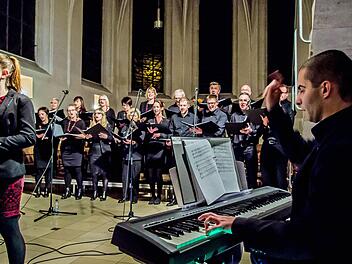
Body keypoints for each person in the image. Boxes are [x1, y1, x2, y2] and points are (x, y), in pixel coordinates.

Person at [198, 50, 352, 263]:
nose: (299, 100)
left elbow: (306, 239)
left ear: (325, 89)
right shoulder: (338, 134)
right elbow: (303, 154)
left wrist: (238, 225)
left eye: (302, 89)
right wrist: (273, 109)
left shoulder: (341, 147)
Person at [0, 53, 36, 264]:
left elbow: (29, 135)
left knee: (8, 224)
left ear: (5, 73)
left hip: (9, 171)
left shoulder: (21, 100)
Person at [260, 85, 295, 190]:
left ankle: (282, 201)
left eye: (283, 93)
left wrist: (270, 124)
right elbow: (262, 132)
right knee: (266, 177)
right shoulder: (267, 110)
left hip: (280, 146)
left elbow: (287, 128)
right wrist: (265, 126)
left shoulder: (288, 108)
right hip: (268, 145)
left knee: (280, 178)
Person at [230, 92, 262, 189]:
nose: (242, 102)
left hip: (249, 147)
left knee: (251, 174)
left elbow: (259, 132)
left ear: (249, 102)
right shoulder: (234, 115)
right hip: (237, 147)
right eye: (240, 100)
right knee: (238, 174)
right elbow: (231, 131)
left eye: (245, 100)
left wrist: (251, 131)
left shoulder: (254, 115)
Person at [144, 100, 171, 205]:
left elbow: (169, 134)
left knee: (158, 174)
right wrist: (150, 134)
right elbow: (145, 137)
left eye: (157, 107)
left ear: (161, 108)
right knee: (150, 175)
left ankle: (159, 196)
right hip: (150, 148)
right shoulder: (150, 121)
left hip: (160, 149)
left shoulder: (166, 121)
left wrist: (160, 135)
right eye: (154, 107)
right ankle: (152, 195)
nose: (155, 109)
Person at [85, 108, 113, 201]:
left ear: (102, 115)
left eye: (99, 113)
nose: (96, 115)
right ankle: (95, 192)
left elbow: (112, 138)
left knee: (105, 174)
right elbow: (88, 139)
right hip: (94, 151)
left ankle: (104, 192)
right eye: (95, 114)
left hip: (105, 151)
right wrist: (88, 137)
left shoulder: (107, 125)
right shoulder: (91, 125)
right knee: (94, 174)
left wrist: (106, 137)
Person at [60, 104, 86, 200]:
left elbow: (84, 136)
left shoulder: (81, 122)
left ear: (76, 111)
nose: (70, 112)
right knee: (67, 170)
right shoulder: (65, 121)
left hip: (76, 149)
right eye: (69, 110)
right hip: (66, 148)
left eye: (72, 110)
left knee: (77, 170)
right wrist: (62, 137)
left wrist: (75, 136)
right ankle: (67, 189)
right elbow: (61, 132)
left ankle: (79, 189)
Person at [119, 108, 144, 204]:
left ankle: (134, 196)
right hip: (126, 155)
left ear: (138, 117)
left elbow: (142, 139)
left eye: (134, 115)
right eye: (130, 115)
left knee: (134, 178)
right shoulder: (125, 127)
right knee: (125, 177)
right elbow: (122, 136)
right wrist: (121, 140)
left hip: (136, 156)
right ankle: (125, 196)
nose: (132, 117)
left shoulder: (140, 127)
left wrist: (134, 142)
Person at [33, 106, 52, 198]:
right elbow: (32, 136)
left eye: (42, 114)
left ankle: (47, 189)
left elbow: (55, 137)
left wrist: (47, 137)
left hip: (48, 150)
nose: (41, 116)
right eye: (39, 114)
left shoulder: (51, 125)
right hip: (39, 150)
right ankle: (38, 189)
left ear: (47, 114)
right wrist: (37, 136)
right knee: (39, 170)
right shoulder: (36, 125)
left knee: (48, 171)